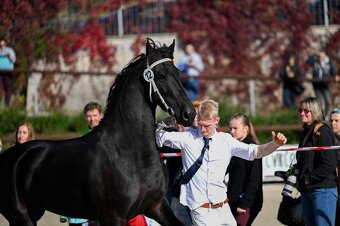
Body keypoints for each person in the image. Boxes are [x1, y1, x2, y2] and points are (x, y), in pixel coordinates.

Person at [156, 99, 287, 226]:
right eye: (200, 124)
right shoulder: (188, 137)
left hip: (223, 208)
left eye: (207, 126)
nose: (202, 130)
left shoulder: (226, 140)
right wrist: (164, 123)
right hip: (199, 210)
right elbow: (158, 136)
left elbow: (257, 152)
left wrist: (275, 144)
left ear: (216, 121)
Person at [295, 97, 338, 226]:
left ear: (314, 111)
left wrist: (308, 179)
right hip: (307, 190)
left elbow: (329, 164)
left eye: (306, 110)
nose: (302, 113)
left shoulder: (322, 131)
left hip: (322, 190)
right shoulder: (306, 132)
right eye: (300, 110)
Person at [227, 113, 263, 226]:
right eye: (230, 128)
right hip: (232, 200)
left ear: (246, 128)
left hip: (247, 202)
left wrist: (244, 203)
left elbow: (254, 180)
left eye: (235, 128)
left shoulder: (252, 149)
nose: (232, 131)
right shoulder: (234, 147)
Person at [305, 49, 338, 117]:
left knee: (328, 100)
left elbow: (332, 70)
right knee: (318, 102)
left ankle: (326, 116)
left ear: (324, 54)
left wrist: (335, 76)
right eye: (320, 53)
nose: (320, 55)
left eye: (321, 53)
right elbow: (307, 61)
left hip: (324, 84)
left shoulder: (328, 62)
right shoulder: (315, 61)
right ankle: (320, 116)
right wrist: (314, 54)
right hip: (317, 84)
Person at [329, 107, 340, 226]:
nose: (333, 123)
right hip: (333, 185)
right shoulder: (327, 139)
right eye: (331, 121)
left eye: (336, 121)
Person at [0, 37, 16, 106]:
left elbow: (14, 60)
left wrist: (9, 56)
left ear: (5, 44)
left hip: (8, 71)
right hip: (0, 71)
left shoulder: (10, 50)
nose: (2, 46)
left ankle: (7, 105)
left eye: (3, 45)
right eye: (1, 45)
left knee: (8, 88)